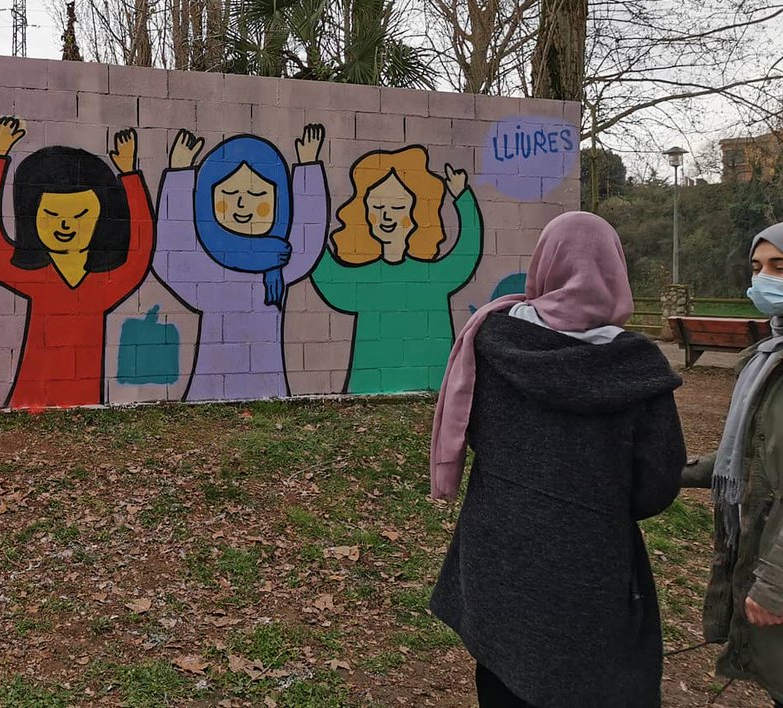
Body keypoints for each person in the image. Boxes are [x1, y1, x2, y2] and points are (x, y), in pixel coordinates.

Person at [428, 211, 685, 707]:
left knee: (500, 678)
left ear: (543, 264)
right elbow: (657, 482)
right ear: (615, 269)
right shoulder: (637, 366)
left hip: (496, 555)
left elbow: (475, 431)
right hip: (591, 566)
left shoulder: (492, 342)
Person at [0, 117, 154, 410]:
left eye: (80, 215)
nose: (65, 225)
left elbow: (139, 252)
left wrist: (131, 176)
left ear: (101, 219)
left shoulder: (102, 283)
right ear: (31, 217)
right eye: (52, 214)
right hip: (28, 402)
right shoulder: (36, 276)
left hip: (85, 402)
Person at [681, 222, 783, 707]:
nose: (763, 279)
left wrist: (776, 585)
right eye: (757, 268)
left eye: (778, 267)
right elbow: (745, 459)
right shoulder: (766, 356)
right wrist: (664, 470)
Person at [151, 127, 328, 401]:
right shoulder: (207, 270)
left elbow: (309, 237)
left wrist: (308, 167)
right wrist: (178, 173)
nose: (242, 204)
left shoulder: (278, 266)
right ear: (207, 200)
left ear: (278, 202)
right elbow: (173, 253)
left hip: (272, 387)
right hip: (205, 391)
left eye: (258, 196)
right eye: (229, 193)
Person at [311, 146, 482, 394]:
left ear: (416, 214)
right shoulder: (363, 280)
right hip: (364, 390)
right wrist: (310, 176)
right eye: (377, 208)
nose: (386, 217)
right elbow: (324, 270)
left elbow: (467, 251)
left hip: (433, 387)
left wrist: (462, 197)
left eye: (397, 207)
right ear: (365, 215)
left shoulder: (433, 279)